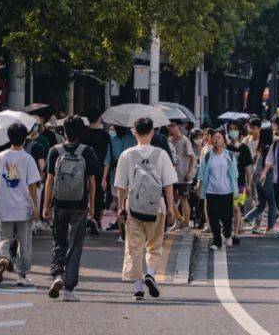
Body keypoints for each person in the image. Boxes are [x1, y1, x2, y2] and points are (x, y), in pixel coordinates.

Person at [114, 117, 177, 301]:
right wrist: (171, 207)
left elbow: (121, 185)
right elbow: (169, 184)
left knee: (134, 247)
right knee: (155, 245)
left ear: (134, 132)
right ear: (152, 132)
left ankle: (137, 287)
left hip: (133, 207)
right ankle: (150, 273)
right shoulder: (161, 154)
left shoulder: (127, 154)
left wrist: (120, 207)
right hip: (156, 206)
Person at [44, 115, 100, 301]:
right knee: (75, 246)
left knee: (59, 241)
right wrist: (92, 204)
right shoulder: (87, 151)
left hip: (59, 204)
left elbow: (49, 181)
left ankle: (57, 274)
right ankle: (69, 289)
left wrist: (45, 205)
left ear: (64, 131)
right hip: (80, 205)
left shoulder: (54, 151)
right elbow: (92, 182)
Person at [0, 123, 41, 286]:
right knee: (24, 243)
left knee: (4, 239)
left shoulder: (0, 157)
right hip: (23, 209)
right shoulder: (28, 159)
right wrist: (36, 206)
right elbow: (32, 186)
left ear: (8, 137)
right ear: (25, 138)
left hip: (3, 208)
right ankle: (22, 276)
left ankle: (3, 257)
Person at [199, 130, 237, 251]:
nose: (216, 139)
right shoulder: (208, 155)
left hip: (226, 191)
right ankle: (217, 241)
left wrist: (237, 188)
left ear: (223, 140)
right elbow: (202, 172)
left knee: (226, 217)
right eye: (214, 137)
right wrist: (199, 186)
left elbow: (234, 173)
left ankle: (227, 234)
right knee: (213, 217)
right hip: (211, 191)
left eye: (219, 137)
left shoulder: (229, 155)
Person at [77, 111, 111, 236]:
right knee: (98, 195)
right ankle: (96, 220)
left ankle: (84, 220)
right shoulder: (105, 135)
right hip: (99, 169)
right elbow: (108, 155)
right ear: (99, 118)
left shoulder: (82, 133)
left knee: (83, 193)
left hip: (82, 168)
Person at [166, 121, 194, 232]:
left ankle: (186, 223)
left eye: (173, 125)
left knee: (183, 199)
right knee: (170, 199)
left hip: (183, 175)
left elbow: (192, 157)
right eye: (169, 126)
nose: (170, 128)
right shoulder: (168, 141)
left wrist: (189, 172)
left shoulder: (185, 140)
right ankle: (178, 219)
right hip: (172, 175)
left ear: (178, 126)